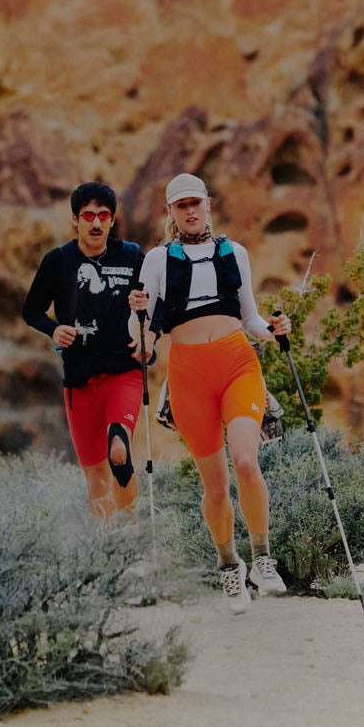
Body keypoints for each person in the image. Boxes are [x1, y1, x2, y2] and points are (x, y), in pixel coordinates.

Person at [129, 173, 292, 613]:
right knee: (215, 485)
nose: (190, 211)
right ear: (170, 212)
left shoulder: (233, 253)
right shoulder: (158, 260)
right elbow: (143, 325)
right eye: (181, 205)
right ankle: (229, 568)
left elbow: (250, 318)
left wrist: (274, 331)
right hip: (187, 374)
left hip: (237, 362)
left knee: (245, 459)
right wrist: (142, 337)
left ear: (208, 204)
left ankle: (262, 559)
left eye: (195, 202)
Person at [22, 180, 145, 521]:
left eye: (103, 215)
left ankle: (131, 532)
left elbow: (157, 304)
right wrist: (54, 329)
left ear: (112, 219)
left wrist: (151, 335)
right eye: (88, 215)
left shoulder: (133, 256)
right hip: (78, 381)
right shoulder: (58, 261)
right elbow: (31, 310)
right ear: (75, 219)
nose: (95, 223)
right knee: (95, 477)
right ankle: (109, 554)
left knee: (118, 451)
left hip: (124, 373)